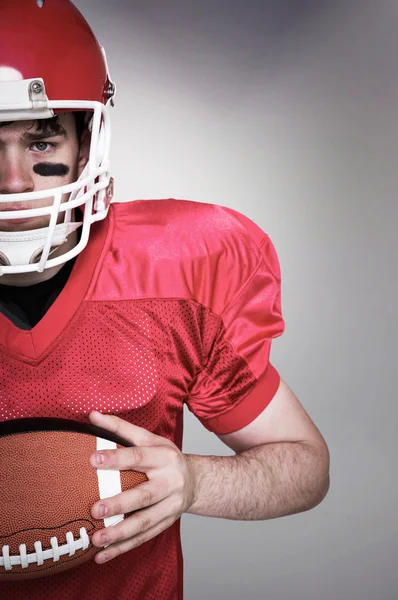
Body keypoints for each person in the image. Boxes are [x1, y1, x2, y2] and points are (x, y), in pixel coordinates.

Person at [0, 1, 330, 599]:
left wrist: (196, 483)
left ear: (84, 140)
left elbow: (305, 466)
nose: (15, 180)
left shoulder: (173, 276)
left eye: (42, 139)